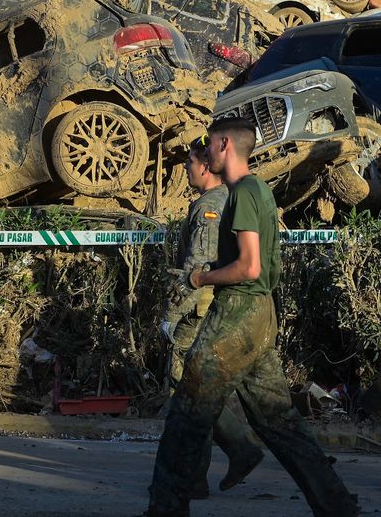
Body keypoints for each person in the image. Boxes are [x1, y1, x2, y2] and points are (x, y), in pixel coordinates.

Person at [145, 117, 357, 517]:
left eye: (209, 145)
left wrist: (200, 276)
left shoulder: (241, 192)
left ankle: (165, 508)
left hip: (237, 312)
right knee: (279, 421)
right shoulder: (259, 189)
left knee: (187, 413)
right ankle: (337, 506)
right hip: (261, 314)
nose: (205, 153)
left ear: (225, 144)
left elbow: (249, 266)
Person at [158, 137, 262, 498]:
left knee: (185, 391)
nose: (185, 168)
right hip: (206, 308)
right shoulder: (215, 202)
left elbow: (198, 266)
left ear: (204, 165)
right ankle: (234, 452)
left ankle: (199, 472)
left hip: (198, 310)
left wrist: (172, 313)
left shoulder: (210, 208)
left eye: (189, 161)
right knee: (196, 392)